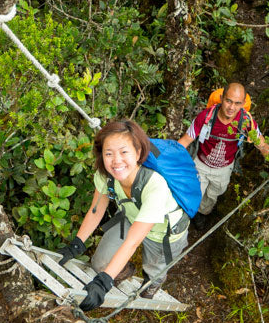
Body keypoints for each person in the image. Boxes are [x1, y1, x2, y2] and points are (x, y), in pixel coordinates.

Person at [56, 120, 190, 310]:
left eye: (124, 152)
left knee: (153, 272)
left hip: (164, 232)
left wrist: (103, 282)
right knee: (100, 263)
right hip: (131, 216)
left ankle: (152, 285)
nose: (116, 160)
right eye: (108, 153)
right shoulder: (106, 175)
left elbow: (133, 241)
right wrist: (76, 244)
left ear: (138, 153)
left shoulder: (155, 185)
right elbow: (96, 211)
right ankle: (124, 270)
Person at [178, 82, 269, 228]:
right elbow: (185, 140)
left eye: (237, 103)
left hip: (224, 169)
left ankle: (202, 214)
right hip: (201, 165)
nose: (231, 107)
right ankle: (185, 221)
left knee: (212, 196)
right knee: (193, 195)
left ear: (243, 103)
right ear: (222, 98)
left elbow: (261, 144)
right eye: (228, 101)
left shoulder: (246, 122)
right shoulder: (206, 117)